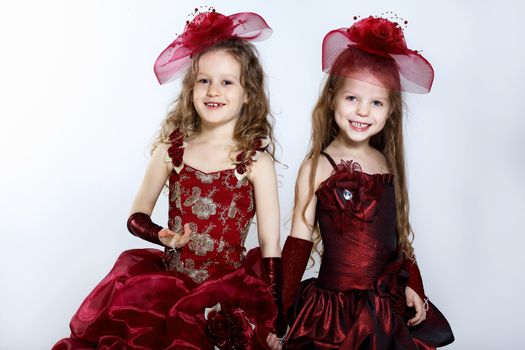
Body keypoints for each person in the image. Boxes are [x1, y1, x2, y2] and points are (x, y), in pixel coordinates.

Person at [54, 10, 285, 350]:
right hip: (168, 289)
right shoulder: (171, 149)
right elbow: (136, 217)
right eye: (203, 80)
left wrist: (273, 318)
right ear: (190, 89)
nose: (213, 91)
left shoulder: (254, 161)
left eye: (227, 81)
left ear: (248, 93)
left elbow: (270, 246)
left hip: (226, 295)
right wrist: (159, 234)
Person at [281, 16, 455, 349]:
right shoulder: (318, 165)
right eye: (352, 99)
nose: (362, 111)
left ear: (390, 111)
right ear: (332, 98)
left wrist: (413, 285)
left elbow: (396, 236)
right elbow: (298, 246)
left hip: (383, 312)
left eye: (376, 102)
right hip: (334, 315)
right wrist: (279, 318)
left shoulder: (385, 162)